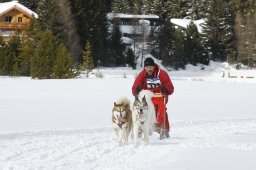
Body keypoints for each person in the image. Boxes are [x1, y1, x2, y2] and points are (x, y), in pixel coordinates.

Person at [132, 57, 174, 138]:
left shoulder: (162, 74)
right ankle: (140, 126)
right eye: (147, 67)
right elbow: (134, 89)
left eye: (150, 67)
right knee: (141, 108)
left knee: (161, 110)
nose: (149, 69)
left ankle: (161, 126)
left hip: (160, 97)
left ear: (154, 66)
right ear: (144, 68)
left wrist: (165, 89)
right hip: (147, 98)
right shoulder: (142, 75)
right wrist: (137, 90)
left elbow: (171, 89)